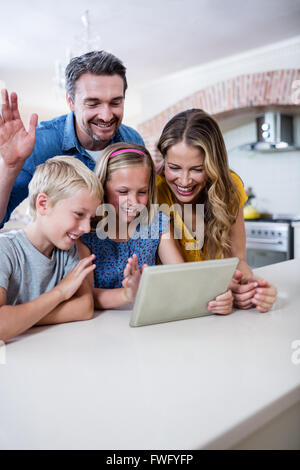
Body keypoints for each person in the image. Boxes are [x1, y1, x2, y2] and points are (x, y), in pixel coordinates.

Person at [77, 143, 234, 314]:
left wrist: (218, 298)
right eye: (123, 191)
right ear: (102, 186)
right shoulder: (86, 232)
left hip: (148, 321)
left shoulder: (157, 224)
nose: (134, 202)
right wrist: (127, 294)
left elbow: (180, 277)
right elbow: (87, 296)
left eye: (142, 192)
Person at [0, 50, 144, 228]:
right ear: (70, 101)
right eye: (93, 103)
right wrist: (9, 166)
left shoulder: (132, 141)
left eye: (115, 103)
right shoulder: (42, 141)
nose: (106, 116)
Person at [156, 109, 277, 313]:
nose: (184, 181)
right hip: (167, 305)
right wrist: (216, 290)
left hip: (209, 307)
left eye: (197, 169)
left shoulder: (229, 188)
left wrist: (253, 289)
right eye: (174, 167)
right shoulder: (156, 189)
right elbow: (177, 274)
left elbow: (238, 261)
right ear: (164, 161)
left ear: (214, 165)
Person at [0, 156, 103, 341]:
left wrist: (20, 318)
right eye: (79, 214)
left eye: (90, 218)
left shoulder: (67, 249)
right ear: (43, 204)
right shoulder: (5, 250)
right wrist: (60, 292)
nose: (87, 228)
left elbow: (85, 307)